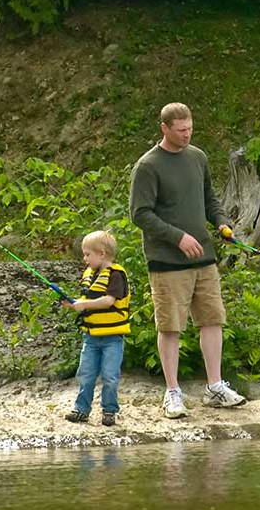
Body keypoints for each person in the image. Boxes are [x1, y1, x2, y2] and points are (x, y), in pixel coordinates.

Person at [129, 102, 246, 419]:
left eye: (190, 129)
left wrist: (221, 223)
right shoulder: (148, 166)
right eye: (181, 131)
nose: (186, 135)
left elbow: (210, 198)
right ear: (164, 128)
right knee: (170, 326)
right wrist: (177, 237)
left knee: (212, 319)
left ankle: (215, 387)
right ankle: (172, 392)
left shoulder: (198, 157)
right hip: (167, 262)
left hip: (204, 259)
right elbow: (140, 214)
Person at [61, 230, 130, 427]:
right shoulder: (90, 274)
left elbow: (108, 301)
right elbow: (87, 301)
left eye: (87, 254)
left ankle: (109, 411)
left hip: (112, 338)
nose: (84, 259)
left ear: (102, 254)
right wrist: (73, 304)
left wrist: (84, 305)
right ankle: (81, 410)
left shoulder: (116, 275)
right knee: (86, 373)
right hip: (90, 337)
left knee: (109, 376)